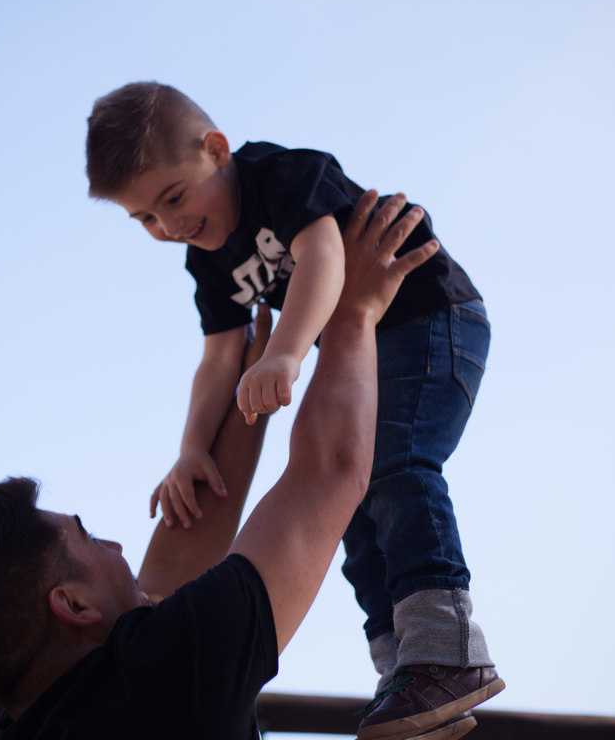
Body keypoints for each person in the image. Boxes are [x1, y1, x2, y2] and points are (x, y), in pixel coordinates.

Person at [0, 193, 450, 740]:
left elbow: (170, 576)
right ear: (71, 604)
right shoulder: (167, 674)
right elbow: (330, 471)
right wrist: (355, 311)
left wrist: (252, 389)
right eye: (87, 537)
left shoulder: (38, 712)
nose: (117, 547)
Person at [85, 82, 502, 740]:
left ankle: (447, 652)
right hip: (359, 343)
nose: (169, 227)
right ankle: (404, 674)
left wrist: (284, 354)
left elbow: (325, 257)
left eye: (172, 198)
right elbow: (219, 359)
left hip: (428, 317)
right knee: (350, 511)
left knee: (392, 464)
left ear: (216, 151)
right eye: (144, 219)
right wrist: (192, 448)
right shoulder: (207, 258)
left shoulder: (282, 175)